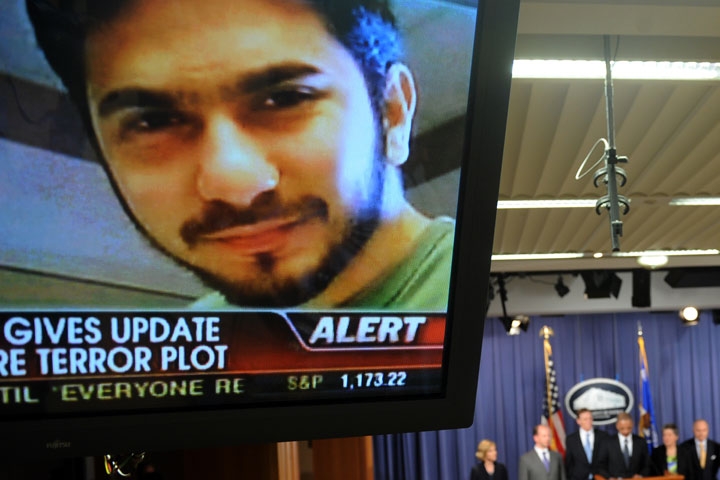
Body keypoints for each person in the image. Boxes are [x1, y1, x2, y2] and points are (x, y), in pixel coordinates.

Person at [25, 0, 455, 310]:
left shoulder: (475, 293)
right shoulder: (199, 337)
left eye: (285, 99)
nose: (234, 184)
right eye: (152, 122)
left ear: (392, 114)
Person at [600, 412, 650, 479]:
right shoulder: (607, 442)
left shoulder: (641, 442)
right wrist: (610, 477)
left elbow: (647, 464)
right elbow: (600, 465)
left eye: (629, 428)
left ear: (632, 424)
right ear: (617, 426)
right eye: (622, 428)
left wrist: (641, 475)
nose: (625, 432)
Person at [565, 409, 609, 480]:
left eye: (590, 418)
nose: (588, 421)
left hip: (600, 477)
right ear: (578, 421)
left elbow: (607, 459)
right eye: (585, 419)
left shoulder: (603, 436)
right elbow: (569, 463)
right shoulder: (571, 439)